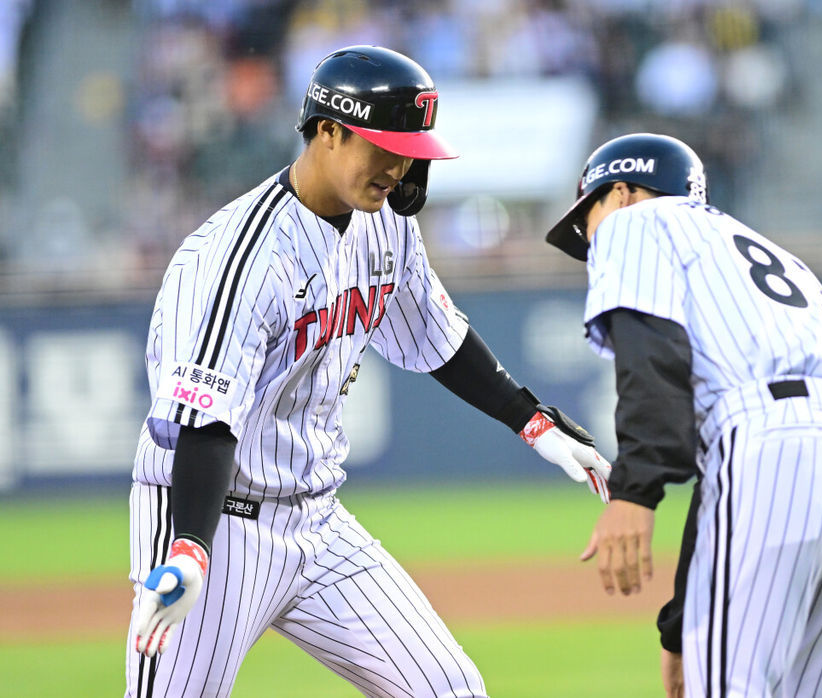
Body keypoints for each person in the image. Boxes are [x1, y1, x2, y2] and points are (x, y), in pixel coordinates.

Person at [126, 45, 611, 698]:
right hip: (213, 520)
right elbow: (204, 422)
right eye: (383, 145)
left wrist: (532, 422)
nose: (399, 165)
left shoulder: (385, 227)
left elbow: (437, 337)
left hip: (317, 521)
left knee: (450, 688)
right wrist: (187, 547)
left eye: (409, 147)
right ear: (328, 130)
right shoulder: (240, 259)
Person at [546, 133, 822, 697]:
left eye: (586, 218)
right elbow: (724, 473)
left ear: (621, 192)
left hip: (777, 441)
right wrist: (680, 629)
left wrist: (634, 493)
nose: (590, 240)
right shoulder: (764, 252)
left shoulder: (633, 222)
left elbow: (652, 359)